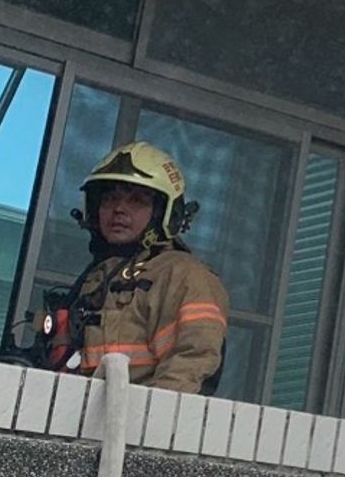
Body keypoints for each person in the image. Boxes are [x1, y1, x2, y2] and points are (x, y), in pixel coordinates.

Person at [30, 144, 229, 394]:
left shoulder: (184, 275)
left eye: (137, 200)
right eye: (110, 198)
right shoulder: (96, 277)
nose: (119, 209)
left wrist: (151, 421)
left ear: (163, 213)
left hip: (135, 425)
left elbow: (194, 359)